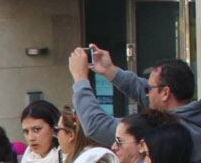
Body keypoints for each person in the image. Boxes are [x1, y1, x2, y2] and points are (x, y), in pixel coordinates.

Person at [70, 47, 201, 148]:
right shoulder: (192, 119)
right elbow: (142, 89)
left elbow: (96, 126)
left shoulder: (161, 129)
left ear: (166, 93)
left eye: (149, 89)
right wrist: (109, 70)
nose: (146, 94)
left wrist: (80, 79)